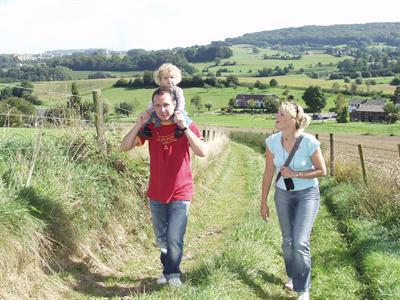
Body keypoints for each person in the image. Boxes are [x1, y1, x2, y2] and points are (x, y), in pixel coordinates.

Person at [120, 87, 207, 287]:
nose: (163, 109)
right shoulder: (151, 128)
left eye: (166, 104)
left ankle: (173, 273)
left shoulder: (185, 125)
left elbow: (202, 151)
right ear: (153, 107)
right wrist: (137, 125)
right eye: (158, 105)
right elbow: (124, 146)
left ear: (174, 104)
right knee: (162, 238)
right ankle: (167, 270)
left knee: (174, 237)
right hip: (156, 192)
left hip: (181, 190)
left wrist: (185, 127)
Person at [260, 101, 326, 300]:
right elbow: (268, 173)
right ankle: (292, 276)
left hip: (308, 195)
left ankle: (303, 289)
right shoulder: (272, 141)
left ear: (292, 119)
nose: (276, 116)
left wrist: (296, 174)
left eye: (280, 114)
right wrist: (263, 203)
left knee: (300, 242)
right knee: (287, 242)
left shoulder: (309, 142)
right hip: (283, 194)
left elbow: (322, 171)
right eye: (277, 113)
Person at [141, 63, 191, 138]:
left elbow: (181, 101)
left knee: (184, 116)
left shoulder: (178, 90)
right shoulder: (158, 91)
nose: (169, 80)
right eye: (165, 78)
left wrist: (179, 110)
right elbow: (153, 102)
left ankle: (180, 129)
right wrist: (149, 110)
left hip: (176, 110)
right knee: (151, 116)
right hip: (163, 110)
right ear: (160, 80)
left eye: (172, 77)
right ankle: (146, 129)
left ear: (176, 78)